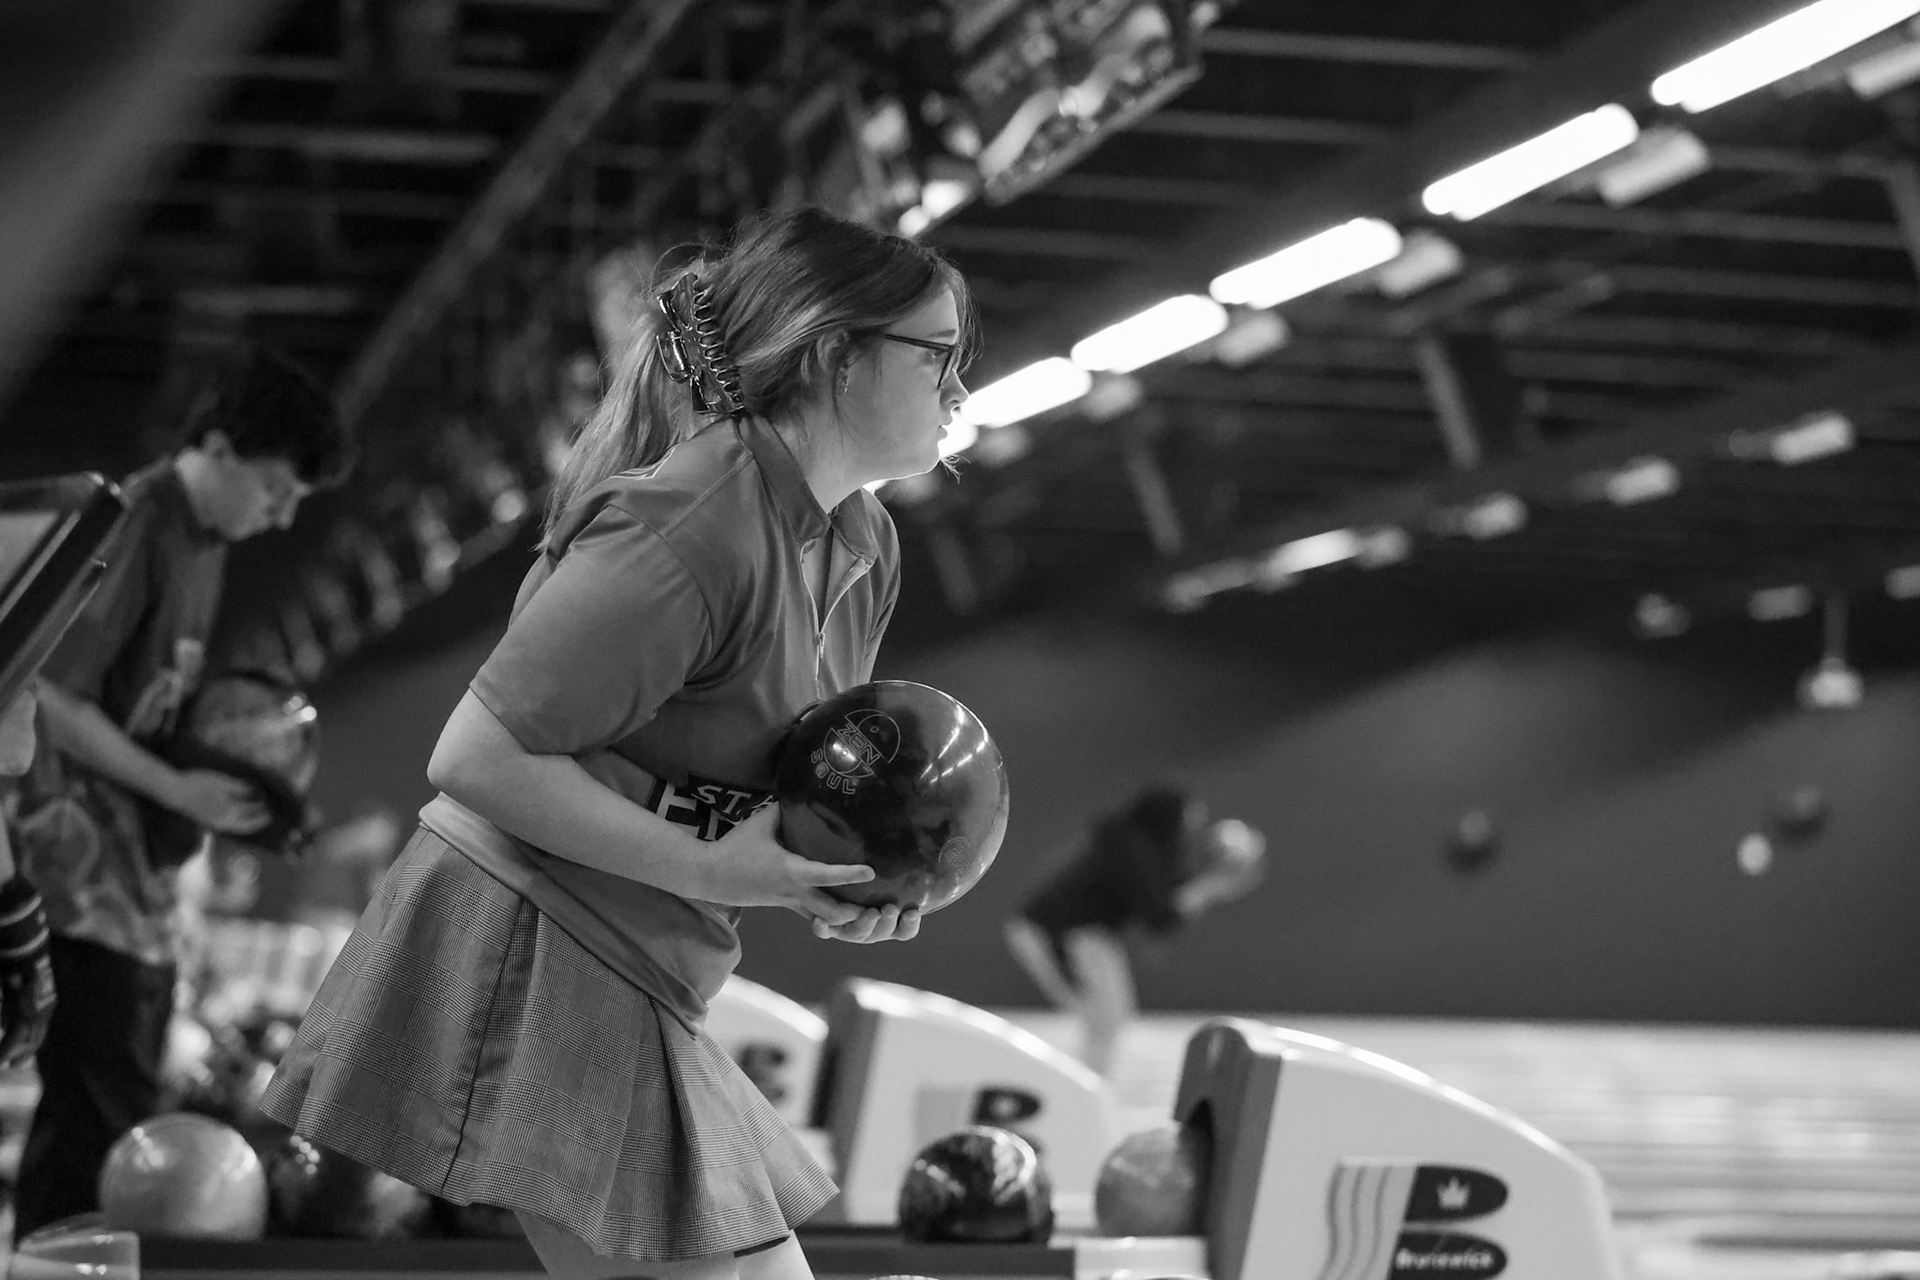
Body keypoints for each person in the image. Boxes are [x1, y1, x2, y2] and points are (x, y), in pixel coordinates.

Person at [260, 206, 975, 1280]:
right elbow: (475, 757)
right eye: (938, 355)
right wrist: (713, 867)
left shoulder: (861, 542)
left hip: (641, 962)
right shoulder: (694, 522)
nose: (958, 388)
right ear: (836, 355)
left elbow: (763, 780)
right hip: (527, 940)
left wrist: (833, 876)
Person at [6, 344, 354, 1239]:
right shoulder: (138, 523)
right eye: (275, 490)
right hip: (78, 876)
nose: (281, 516)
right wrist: (177, 788)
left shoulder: (203, 545)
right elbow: (50, 694)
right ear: (222, 447)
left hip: (127, 884)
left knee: (103, 1112)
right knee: (95, 1121)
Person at [1004, 784, 1267, 1077]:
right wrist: (1209, 887)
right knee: (1106, 1018)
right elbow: (1159, 916)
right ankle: (1080, 1085)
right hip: (1059, 931)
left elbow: (1165, 905)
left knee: (1108, 1018)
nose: (1191, 826)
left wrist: (1210, 886)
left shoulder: (1139, 845)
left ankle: (1086, 1082)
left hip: (1074, 932)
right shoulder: (1130, 847)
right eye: (1187, 816)